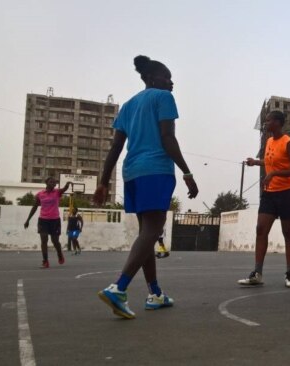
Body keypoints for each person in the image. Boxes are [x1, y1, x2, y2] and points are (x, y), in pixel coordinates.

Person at [93, 55, 199, 319]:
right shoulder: (163, 98)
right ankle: (119, 287)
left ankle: (155, 293)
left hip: (132, 173)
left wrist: (103, 182)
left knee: (147, 234)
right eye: (167, 77)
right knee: (152, 230)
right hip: (156, 170)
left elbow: (116, 147)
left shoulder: (128, 106)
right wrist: (187, 172)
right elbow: (167, 138)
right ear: (152, 79)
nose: (171, 82)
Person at [237, 110, 290, 288]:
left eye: (268, 121)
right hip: (270, 193)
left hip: (288, 192)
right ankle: (257, 273)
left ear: (278, 123)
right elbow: (271, 161)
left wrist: (274, 173)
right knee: (260, 229)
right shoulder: (269, 141)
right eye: (265, 121)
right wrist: (256, 162)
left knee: (288, 233)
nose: (265, 124)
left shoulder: (289, 143)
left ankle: (289, 275)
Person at [23, 177, 71, 268]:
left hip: (55, 220)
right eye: (51, 181)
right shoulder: (40, 194)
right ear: (46, 183)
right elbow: (34, 207)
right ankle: (45, 261)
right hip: (43, 220)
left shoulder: (57, 192)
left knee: (55, 241)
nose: (53, 183)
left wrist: (67, 184)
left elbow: (64, 189)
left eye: (55, 182)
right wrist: (27, 220)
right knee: (44, 239)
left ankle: (60, 254)